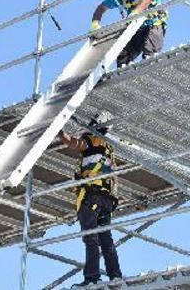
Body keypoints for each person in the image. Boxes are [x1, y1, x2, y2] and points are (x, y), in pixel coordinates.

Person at [58, 112, 122, 287]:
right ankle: (115, 277)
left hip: (91, 196)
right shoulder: (108, 148)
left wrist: (59, 132)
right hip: (106, 200)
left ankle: (91, 278)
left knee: (90, 238)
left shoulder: (91, 140)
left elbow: (74, 143)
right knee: (106, 239)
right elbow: (115, 175)